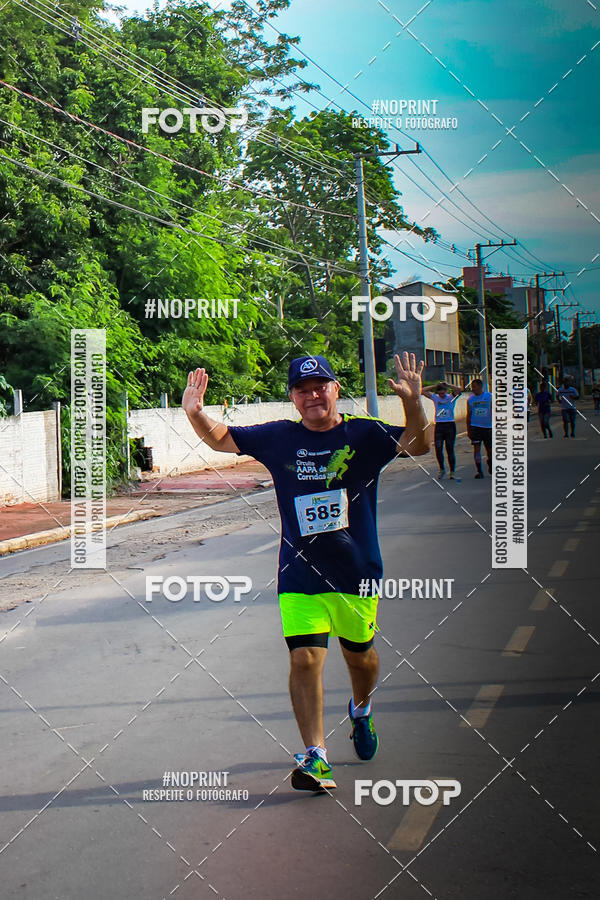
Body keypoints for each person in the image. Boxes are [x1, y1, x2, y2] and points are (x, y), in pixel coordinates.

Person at [182, 352, 430, 792]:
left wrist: (413, 401)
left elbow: (419, 444)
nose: (312, 395)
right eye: (302, 389)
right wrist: (195, 412)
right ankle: (316, 756)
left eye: (320, 386)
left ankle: (361, 708)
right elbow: (222, 439)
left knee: (362, 660)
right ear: (293, 398)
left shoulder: (364, 433)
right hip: (300, 572)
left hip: (358, 572)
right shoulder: (280, 438)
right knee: (305, 657)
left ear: (335, 389)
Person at [421, 382, 462, 479]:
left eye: (443, 393)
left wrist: (448, 384)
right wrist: (435, 385)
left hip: (450, 425)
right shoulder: (435, 398)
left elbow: (460, 389)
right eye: (440, 393)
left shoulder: (451, 397)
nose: (441, 396)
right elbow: (422, 390)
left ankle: (452, 471)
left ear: (446, 392)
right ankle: (442, 469)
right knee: (438, 448)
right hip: (439, 425)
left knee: (449, 449)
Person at [466, 378, 493, 478]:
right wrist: (468, 429)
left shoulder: (489, 396)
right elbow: (468, 415)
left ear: (480, 386)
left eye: (475, 387)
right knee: (476, 449)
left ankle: (490, 463)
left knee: (489, 450)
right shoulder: (470, 399)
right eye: (472, 387)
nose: (473, 389)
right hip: (475, 427)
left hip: (488, 427)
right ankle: (479, 471)